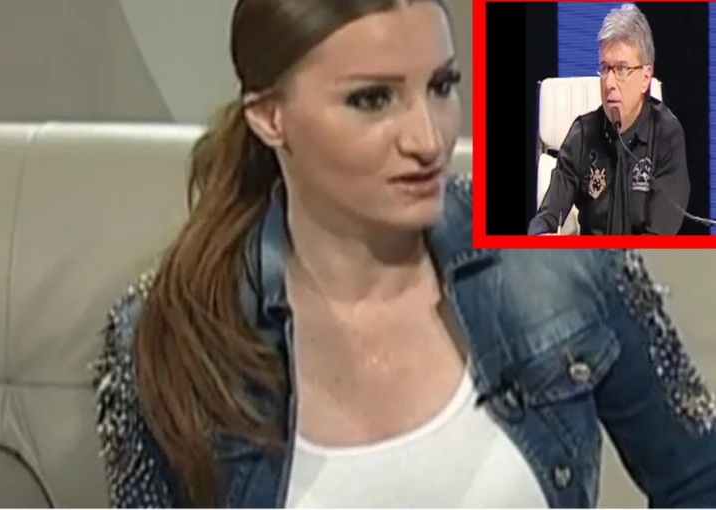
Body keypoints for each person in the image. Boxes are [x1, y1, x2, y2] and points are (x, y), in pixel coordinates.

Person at [92, 0, 716, 507]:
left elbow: (700, 479)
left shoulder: (557, 253)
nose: (428, 138)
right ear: (269, 117)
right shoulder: (168, 333)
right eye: (372, 99)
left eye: (442, 86)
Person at [528, 4, 690, 236]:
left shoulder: (667, 136)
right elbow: (545, 219)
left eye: (621, 69)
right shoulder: (583, 134)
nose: (609, 83)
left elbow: (658, 240)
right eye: (605, 68)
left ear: (645, 78)